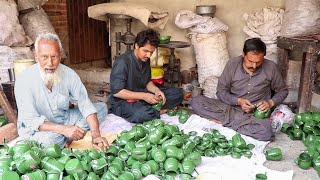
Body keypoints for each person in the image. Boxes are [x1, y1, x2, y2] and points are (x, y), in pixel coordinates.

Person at [14, 33, 109, 150]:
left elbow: (85, 105)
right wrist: (65, 130)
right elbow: (31, 121)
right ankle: (66, 138)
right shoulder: (24, 80)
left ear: (60, 56)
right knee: (50, 141)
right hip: (37, 130)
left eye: (54, 57)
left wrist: (96, 135)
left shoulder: (69, 74)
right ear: (36, 57)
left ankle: (67, 138)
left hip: (63, 119)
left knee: (101, 108)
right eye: (44, 57)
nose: (50, 63)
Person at [191, 38, 288, 141]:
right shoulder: (232, 64)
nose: (254, 66)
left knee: (266, 132)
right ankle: (239, 124)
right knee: (196, 101)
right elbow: (221, 91)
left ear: (263, 56)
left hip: (254, 114)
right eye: (250, 61)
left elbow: (283, 91)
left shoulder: (271, 67)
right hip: (230, 108)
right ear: (243, 54)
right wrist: (238, 101)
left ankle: (226, 122)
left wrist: (270, 103)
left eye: (258, 62)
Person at [109, 28, 183, 123]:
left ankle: (151, 109)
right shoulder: (122, 62)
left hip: (142, 96)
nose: (148, 55)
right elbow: (117, 92)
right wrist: (144, 96)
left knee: (177, 93)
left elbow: (147, 82)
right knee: (141, 114)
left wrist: (157, 90)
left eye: (151, 52)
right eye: (145, 51)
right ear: (136, 46)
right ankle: (157, 111)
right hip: (124, 101)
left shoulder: (145, 60)